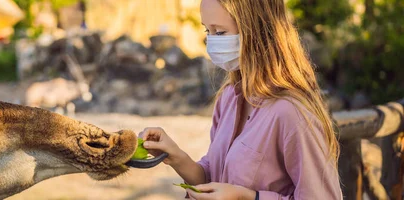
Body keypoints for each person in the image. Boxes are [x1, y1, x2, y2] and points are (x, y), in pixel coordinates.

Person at [138, 0, 343, 199]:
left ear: (257, 30)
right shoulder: (228, 97)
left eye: (220, 32)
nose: (212, 41)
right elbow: (213, 178)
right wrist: (175, 156)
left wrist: (249, 198)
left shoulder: (292, 113)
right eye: (207, 31)